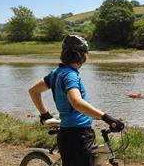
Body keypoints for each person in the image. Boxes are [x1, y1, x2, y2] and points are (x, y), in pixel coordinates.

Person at [29, 35, 124, 166]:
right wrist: (106, 118)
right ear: (82, 56)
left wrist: (44, 114)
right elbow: (76, 102)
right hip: (78, 136)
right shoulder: (70, 75)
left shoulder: (56, 73)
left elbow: (33, 91)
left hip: (69, 134)